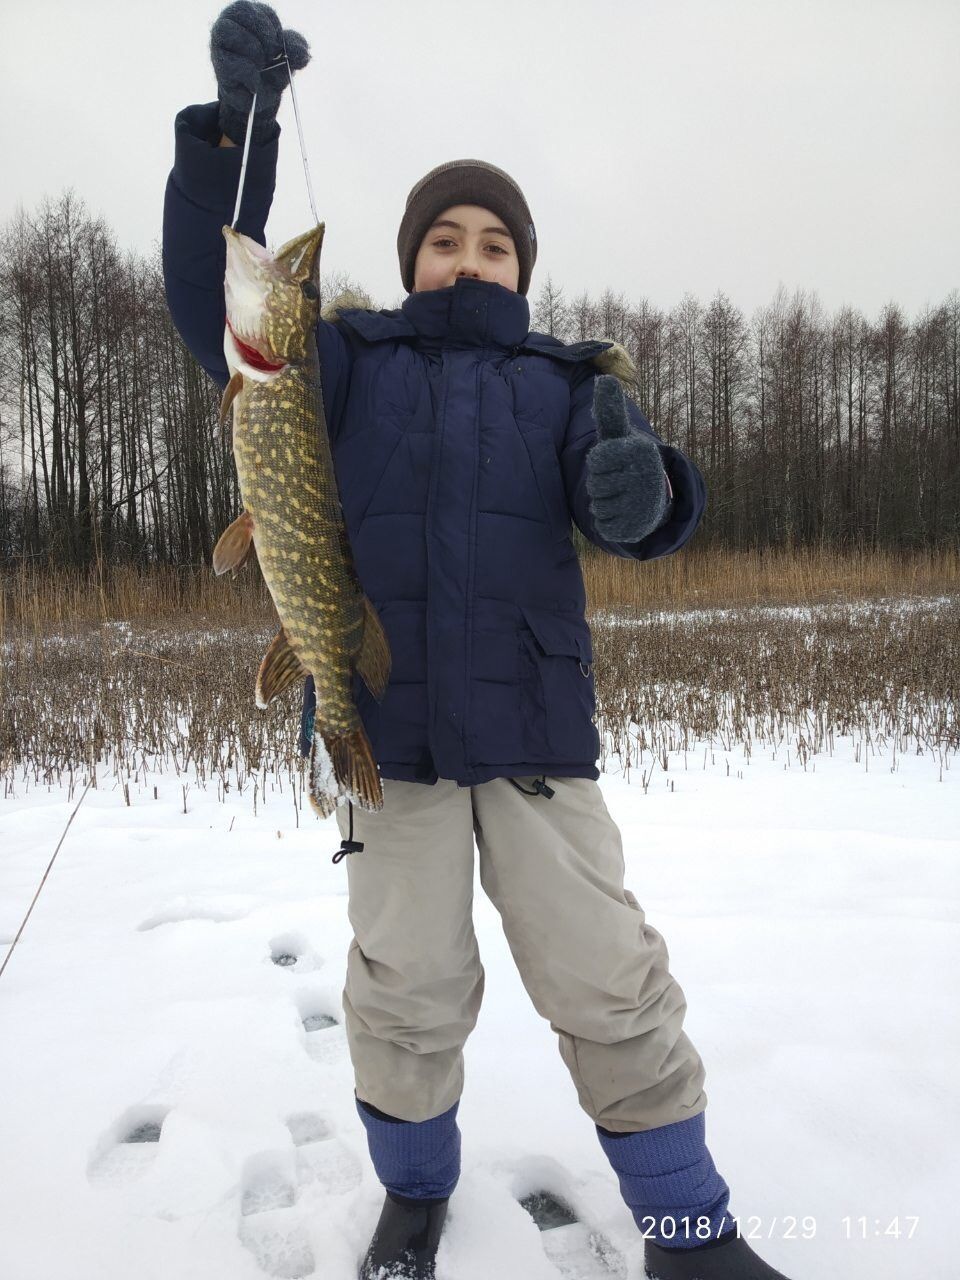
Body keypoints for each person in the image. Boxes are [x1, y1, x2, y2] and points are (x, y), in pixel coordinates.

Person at [163, 6, 795, 1278]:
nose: (469, 257)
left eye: (494, 243)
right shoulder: (343, 360)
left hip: (536, 738)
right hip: (386, 734)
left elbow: (641, 503)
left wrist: (653, 492)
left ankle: (687, 1227)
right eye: (444, 239)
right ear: (412, 262)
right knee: (405, 984)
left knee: (609, 976)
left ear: (524, 268)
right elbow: (209, 290)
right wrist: (237, 137)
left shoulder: (570, 380)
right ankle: (413, 1197)